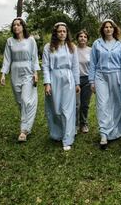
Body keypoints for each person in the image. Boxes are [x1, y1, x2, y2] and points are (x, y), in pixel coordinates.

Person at [0, 17, 40, 142]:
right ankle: (27, 124)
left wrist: (36, 72)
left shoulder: (31, 40)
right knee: (20, 102)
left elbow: (34, 57)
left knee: (25, 99)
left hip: (28, 71)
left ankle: (23, 131)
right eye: (14, 25)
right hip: (15, 72)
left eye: (18, 24)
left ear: (23, 26)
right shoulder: (10, 41)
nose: (16, 27)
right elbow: (7, 59)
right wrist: (3, 74)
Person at [42, 22, 80, 151]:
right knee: (56, 109)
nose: (62, 33)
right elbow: (45, 66)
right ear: (55, 33)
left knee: (67, 110)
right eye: (60, 31)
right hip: (54, 78)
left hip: (68, 79)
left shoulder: (72, 47)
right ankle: (57, 133)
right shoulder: (48, 47)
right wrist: (47, 83)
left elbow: (75, 66)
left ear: (67, 33)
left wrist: (77, 83)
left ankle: (67, 139)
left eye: (64, 31)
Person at [89, 19, 121, 149]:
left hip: (117, 75)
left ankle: (115, 131)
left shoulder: (120, 44)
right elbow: (92, 63)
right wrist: (91, 80)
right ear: (102, 29)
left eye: (110, 27)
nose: (108, 29)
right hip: (101, 75)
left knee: (117, 103)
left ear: (114, 29)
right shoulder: (97, 44)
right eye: (106, 27)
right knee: (102, 104)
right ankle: (104, 133)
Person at [76, 29, 93, 134]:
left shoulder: (91, 50)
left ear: (87, 39)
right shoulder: (72, 49)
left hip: (87, 79)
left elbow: (94, 66)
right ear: (77, 38)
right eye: (81, 36)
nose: (83, 38)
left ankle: (84, 123)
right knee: (76, 103)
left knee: (85, 104)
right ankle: (75, 124)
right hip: (76, 79)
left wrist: (93, 80)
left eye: (85, 37)